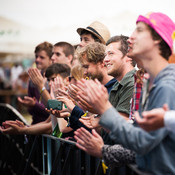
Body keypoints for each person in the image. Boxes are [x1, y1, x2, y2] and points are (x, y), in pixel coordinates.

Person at [74, 12, 175, 174]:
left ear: (157, 39)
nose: (131, 38)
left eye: (140, 30)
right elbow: (138, 138)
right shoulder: (151, 83)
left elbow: (142, 143)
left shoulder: (167, 86)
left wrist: (105, 111)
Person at [0, 63, 71, 136]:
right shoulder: (58, 96)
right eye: (49, 80)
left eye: (53, 79)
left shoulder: (70, 99)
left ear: (67, 80)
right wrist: (24, 127)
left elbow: (57, 128)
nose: (50, 84)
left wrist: (23, 130)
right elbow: (48, 122)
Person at [18, 41, 53, 124]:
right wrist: (29, 105)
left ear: (51, 59)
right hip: (35, 124)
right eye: (36, 56)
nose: (37, 60)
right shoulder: (33, 78)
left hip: (49, 127)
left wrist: (35, 105)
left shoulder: (55, 79)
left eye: (42, 57)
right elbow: (31, 112)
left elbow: (54, 111)